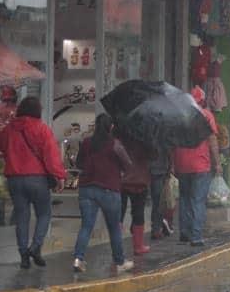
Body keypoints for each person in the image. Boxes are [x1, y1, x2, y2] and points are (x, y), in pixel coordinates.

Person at [0, 96, 66, 269]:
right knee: (44, 213)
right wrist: (60, 175)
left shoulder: (10, 129)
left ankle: (24, 256)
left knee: (22, 217)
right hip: (37, 178)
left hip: (14, 179)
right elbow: (51, 155)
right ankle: (35, 247)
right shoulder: (42, 129)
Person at [73, 113, 134, 273]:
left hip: (87, 189)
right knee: (114, 228)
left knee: (86, 226)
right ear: (111, 127)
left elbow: (79, 163)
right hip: (109, 189)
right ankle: (120, 262)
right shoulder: (115, 145)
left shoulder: (86, 143)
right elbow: (128, 165)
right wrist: (119, 172)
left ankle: (78, 259)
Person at [173, 86, 221, 247]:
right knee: (198, 200)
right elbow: (213, 141)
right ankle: (196, 236)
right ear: (202, 100)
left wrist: (173, 163)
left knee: (185, 198)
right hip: (200, 165)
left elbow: (172, 140)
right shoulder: (206, 116)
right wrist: (217, 163)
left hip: (182, 164)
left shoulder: (180, 116)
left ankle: (184, 232)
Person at [119, 136, 152, 255]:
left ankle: (117, 247)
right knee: (138, 213)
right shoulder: (145, 139)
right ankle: (138, 246)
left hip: (122, 180)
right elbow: (153, 156)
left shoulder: (121, 137)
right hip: (139, 181)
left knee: (119, 214)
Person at [149, 150, 173, 240]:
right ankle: (157, 228)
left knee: (158, 201)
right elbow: (169, 152)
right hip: (159, 171)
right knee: (159, 201)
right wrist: (171, 166)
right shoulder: (163, 137)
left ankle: (158, 226)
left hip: (153, 170)